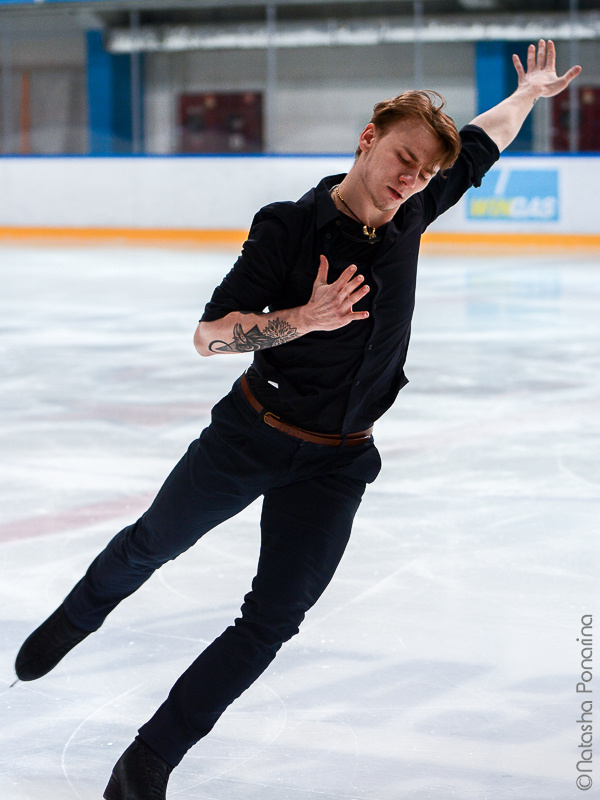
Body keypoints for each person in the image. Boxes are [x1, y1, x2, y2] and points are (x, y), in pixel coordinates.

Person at [15, 40, 580, 800]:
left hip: (338, 460)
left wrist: (528, 97)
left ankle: (150, 758)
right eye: (403, 158)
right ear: (367, 139)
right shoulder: (285, 226)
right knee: (153, 544)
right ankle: (77, 617)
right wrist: (301, 321)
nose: (411, 180)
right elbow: (210, 336)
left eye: (425, 173)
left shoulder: (412, 211)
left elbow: (486, 138)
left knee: (272, 620)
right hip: (249, 437)